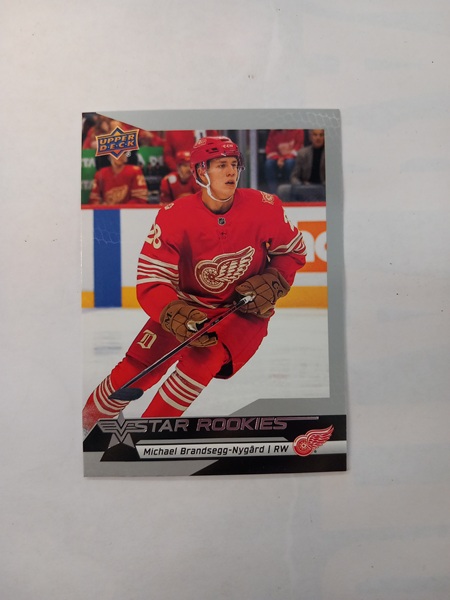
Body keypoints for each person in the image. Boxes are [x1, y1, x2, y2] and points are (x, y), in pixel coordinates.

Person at [82, 136, 307, 434]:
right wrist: (173, 312)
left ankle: (147, 438)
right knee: (133, 369)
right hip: (186, 308)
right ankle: (84, 425)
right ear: (201, 171)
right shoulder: (174, 216)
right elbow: (152, 279)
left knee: (200, 363)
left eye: (234, 164)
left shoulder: (265, 207)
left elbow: (292, 252)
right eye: (221, 165)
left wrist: (274, 278)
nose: (231, 171)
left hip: (242, 312)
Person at [264, 129, 304, 194]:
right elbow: (269, 151)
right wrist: (278, 158)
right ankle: (274, 194)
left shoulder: (298, 130)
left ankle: (289, 193)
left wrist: (283, 158)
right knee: (269, 164)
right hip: (278, 159)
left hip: (293, 159)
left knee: (289, 163)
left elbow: (298, 149)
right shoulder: (273, 132)